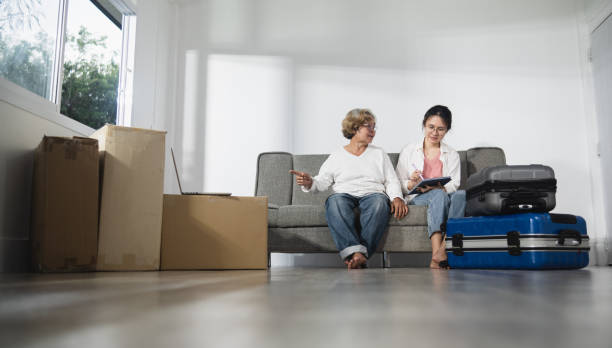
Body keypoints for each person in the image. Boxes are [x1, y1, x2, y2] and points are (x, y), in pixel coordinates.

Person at [290, 108, 408, 269]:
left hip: (373, 193)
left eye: (375, 127)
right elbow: (321, 182)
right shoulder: (337, 155)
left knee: (380, 203)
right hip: (344, 194)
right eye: (369, 126)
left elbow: (391, 180)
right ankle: (359, 254)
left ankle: (357, 254)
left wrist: (396, 197)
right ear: (355, 128)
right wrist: (309, 182)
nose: (373, 131)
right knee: (335, 202)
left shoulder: (379, 153)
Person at [396, 105, 466, 269]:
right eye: (431, 127)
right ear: (424, 125)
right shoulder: (409, 151)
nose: (435, 133)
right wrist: (411, 182)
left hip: (441, 194)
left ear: (447, 130)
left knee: (461, 195)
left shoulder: (452, 154)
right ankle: (437, 254)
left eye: (440, 129)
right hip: (418, 197)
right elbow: (398, 181)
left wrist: (438, 188)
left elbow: (454, 184)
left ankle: (441, 250)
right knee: (438, 196)